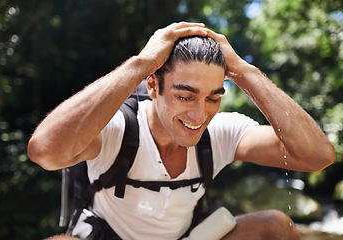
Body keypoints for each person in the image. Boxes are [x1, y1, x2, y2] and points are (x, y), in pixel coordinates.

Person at [28, 22, 335, 240]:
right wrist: (143, 62)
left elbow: (316, 157)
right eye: (185, 96)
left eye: (213, 97)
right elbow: (45, 151)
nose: (199, 115)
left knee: (276, 226)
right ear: (153, 86)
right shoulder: (119, 128)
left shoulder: (221, 130)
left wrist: (245, 71)